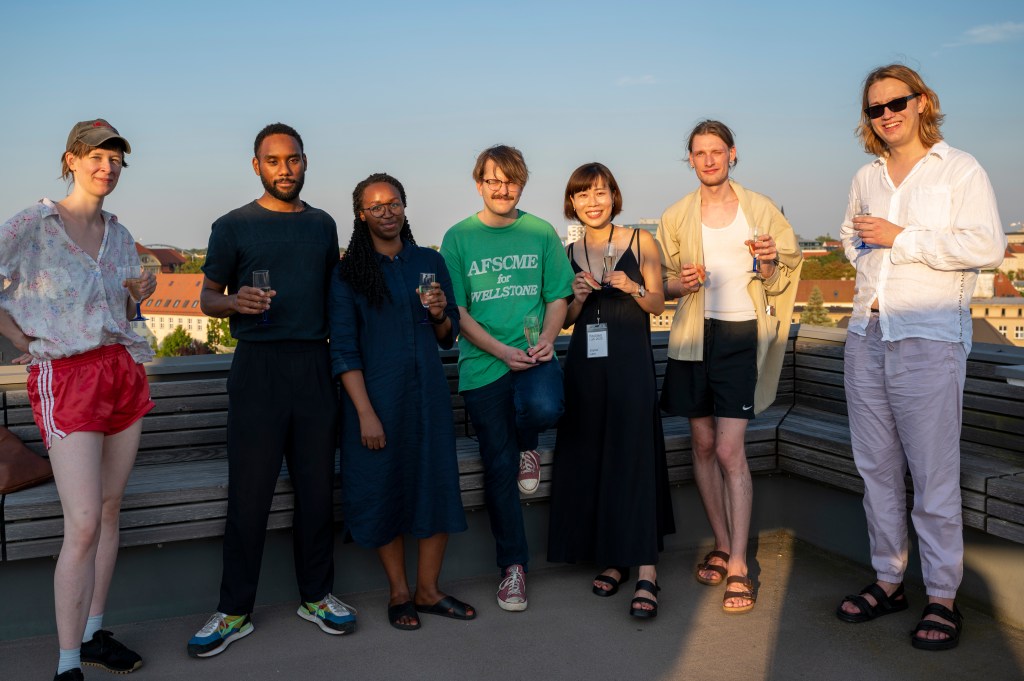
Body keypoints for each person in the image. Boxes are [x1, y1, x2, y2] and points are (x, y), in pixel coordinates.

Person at [835, 64, 1005, 651]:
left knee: (933, 477)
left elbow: (987, 245)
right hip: (865, 335)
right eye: (875, 108)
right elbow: (850, 235)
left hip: (928, 340)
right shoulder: (866, 176)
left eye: (896, 103)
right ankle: (888, 580)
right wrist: (871, 250)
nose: (886, 114)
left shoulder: (959, 169)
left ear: (922, 102)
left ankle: (941, 596)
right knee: (876, 471)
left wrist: (900, 238)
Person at [187, 123, 355, 658]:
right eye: (274, 160)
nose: (285, 169)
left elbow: (337, 297)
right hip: (257, 367)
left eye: (293, 159)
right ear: (256, 165)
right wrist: (235, 302)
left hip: (313, 365)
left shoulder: (324, 225)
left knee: (316, 492)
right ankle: (234, 610)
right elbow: (207, 297)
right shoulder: (232, 225)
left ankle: (317, 597)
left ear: (305, 162)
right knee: (249, 495)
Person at [0, 120, 156, 681]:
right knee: (84, 522)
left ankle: (92, 636)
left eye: (115, 159)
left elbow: (122, 306)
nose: (106, 167)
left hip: (121, 371)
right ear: (71, 159)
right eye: (96, 156)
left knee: (109, 510)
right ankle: (67, 664)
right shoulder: (34, 224)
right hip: (66, 377)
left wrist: (140, 295)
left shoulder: (119, 233)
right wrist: (22, 340)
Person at [657, 120, 802, 615]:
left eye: (716, 151)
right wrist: (682, 283)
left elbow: (782, 274)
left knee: (727, 448)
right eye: (700, 153)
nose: (709, 160)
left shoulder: (760, 208)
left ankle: (738, 563)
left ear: (732, 154)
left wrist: (768, 264)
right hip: (693, 338)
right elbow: (663, 285)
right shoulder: (675, 215)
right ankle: (721, 543)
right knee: (701, 444)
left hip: (741, 335)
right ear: (691, 160)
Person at [330, 173, 474, 631]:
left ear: (405, 207)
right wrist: (365, 414)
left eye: (394, 203)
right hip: (376, 400)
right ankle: (398, 592)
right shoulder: (348, 273)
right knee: (382, 488)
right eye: (375, 206)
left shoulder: (429, 261)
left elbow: (447, 336)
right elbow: (343, 350)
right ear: (361, 215)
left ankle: (428, 590)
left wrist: (439, 314)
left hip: (428, 396)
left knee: (435, 485)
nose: (386, 212)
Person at [440, 144, 574, 611]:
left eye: (511, 180)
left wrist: (548, 340)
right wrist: (500, 351)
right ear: (479, 183)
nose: (502, 188)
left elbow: (558, 297)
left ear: (522, 183)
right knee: (498, 468)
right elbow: (457, 311)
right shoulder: (458, 238)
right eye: (493, 180)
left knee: (546, 407)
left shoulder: (540, 232)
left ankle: (528, 445)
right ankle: (513, 569)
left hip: (535, 355)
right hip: (484, 366)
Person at [547, 163, 675, 618]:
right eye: (583, 195)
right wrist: (579, 297)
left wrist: (633, 286)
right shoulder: (567, 252)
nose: (593, 202)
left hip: (630, 364)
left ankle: (647, 570)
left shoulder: (641, 242)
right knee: (595, 455)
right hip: (585, 367)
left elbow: (657, 303)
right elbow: (564, 320)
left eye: (600, 192)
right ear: (572, 203)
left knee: (634, 455)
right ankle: (614, 559)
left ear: (613, 196)